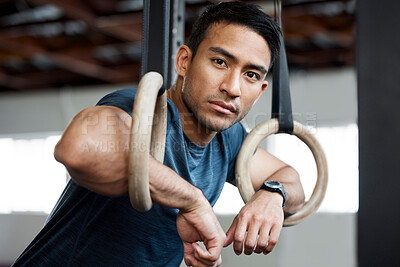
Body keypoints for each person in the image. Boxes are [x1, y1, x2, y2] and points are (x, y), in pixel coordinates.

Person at [13, 2, 305, 267]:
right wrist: (192, 200)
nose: (233, 87)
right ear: (184, 62)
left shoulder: (228, 140)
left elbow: (290, 179)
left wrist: (272, 194)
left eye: (251, 75)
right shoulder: (139, 110)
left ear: (260, 91)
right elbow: (77, 149)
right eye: (220, 62)